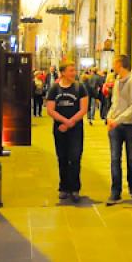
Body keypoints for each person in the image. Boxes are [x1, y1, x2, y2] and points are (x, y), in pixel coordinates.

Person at [46, 61, 88, 202]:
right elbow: (50, 109)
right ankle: (64, 187)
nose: (73, 73)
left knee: (75, 158)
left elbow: (83, 108)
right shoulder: (54, 89)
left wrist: (71, 122)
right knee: (62, 158)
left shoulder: (79, 87)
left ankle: (75, 188)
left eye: (74, 70)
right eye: (71, 70)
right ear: (63, 72)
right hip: (60, 129)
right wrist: (64, 121)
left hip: (75, 129)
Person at [106, 54, 132, 205]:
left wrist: (117, 120)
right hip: (115, 125)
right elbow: (115, 103)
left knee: (130, 157)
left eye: (115, 63)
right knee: (115, 158)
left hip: (130, 125)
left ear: (120, 64)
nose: (113, 66)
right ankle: (115, 192)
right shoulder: (117, 81)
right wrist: (109, 116)